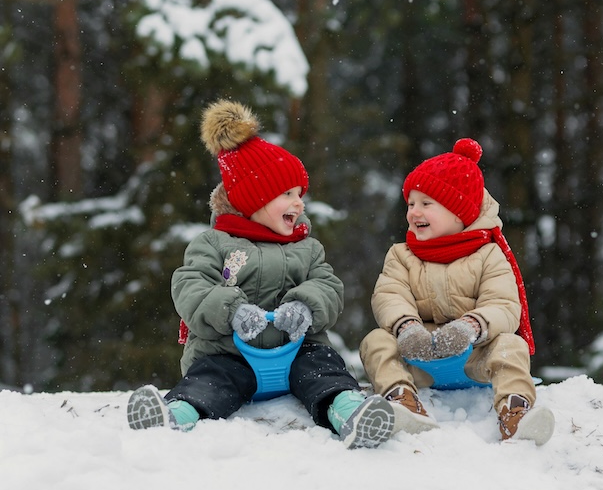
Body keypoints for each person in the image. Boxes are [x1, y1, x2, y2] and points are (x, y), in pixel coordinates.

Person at [126, 99, 394, 449]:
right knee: (208, 382)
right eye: (286, 194)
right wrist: (232, 311)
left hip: (296, 350)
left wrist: (305, 306)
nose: (298, 203)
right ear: (253, 200)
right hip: (229, 353)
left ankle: (350, 413)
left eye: (300, 194)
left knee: (325, 371)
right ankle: (174, 416)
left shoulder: (306, 247)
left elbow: (328, 285)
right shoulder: (214, 244)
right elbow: (190, 287)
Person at [359, 138, 554, 445]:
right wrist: (407, 327)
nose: (414, 212)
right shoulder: (401, 255)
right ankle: (402, 399)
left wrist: (472, 326)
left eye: (426, 204)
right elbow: (389, 295)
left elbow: (503, 304)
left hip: (474, 358)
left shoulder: (488, 255)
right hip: (419, 356)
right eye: (410, 204)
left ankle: (515, 411)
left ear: (458, 212)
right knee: (376, 342)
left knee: (509, 345)